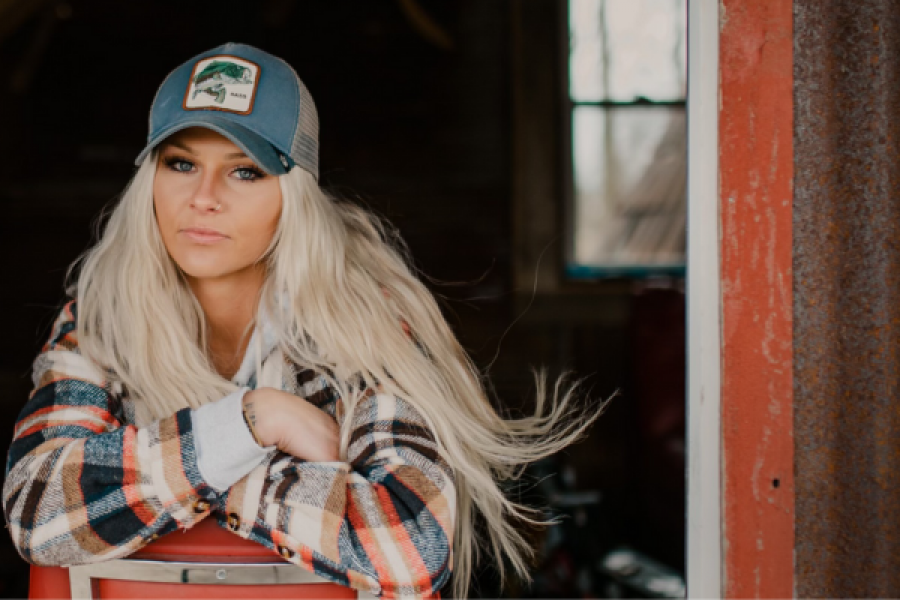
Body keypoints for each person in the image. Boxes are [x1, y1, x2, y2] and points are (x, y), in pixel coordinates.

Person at [2, 43, 598, 599]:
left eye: (245, 171)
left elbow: (413, 541)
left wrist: (160, 481)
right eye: (181, 163)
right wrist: (255, 422)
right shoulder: (102, 315)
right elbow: (37, 512)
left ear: (296, 195)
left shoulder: (365, 318)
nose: (203, 197)